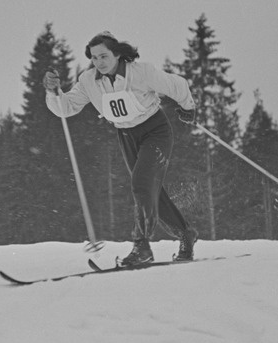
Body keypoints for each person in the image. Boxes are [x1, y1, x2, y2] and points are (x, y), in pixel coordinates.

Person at [43, 31, 198, 265]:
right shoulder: (89, 81)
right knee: (150, 190)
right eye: (94, 58)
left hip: (155, 131)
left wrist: (188, 108)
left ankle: (141, 246)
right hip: (126, 135)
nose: (99, 63)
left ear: (117, 54)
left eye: (104, 56)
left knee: (142, 184)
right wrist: (53, 91)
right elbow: (66, 108)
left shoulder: (140, 72)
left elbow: (176, 85)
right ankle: (185, 234)